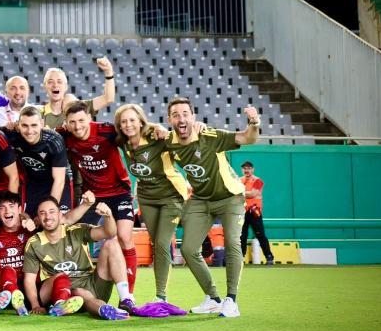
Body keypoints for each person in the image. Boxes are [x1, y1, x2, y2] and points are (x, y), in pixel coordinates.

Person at [166, 98, 263, 317]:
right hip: (201, 199)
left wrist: (254, 121)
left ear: (193, 116)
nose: (181, 118)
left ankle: (232, 300)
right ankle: (213, 298)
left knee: (232, 242)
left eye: (185, 114)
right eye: (175, 114)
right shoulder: (169, 141)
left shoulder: (210, 136)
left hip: (230, 198)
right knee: (188, 249)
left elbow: (248, 137)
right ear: (169, 119)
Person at [59, 101, 139, 296]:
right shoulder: (63, 135)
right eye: (72, 122)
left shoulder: (106, 131)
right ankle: (80, 284)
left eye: (81, 120)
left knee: (124, 237)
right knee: (75, 235)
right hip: (92, 197)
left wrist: (158, 128)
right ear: (66, 123)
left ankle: (129, 294)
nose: (77, 126)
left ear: (89, 118)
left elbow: (137, 132)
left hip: (119, 192)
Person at [114, 103, 188, 302]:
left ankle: (161, 296)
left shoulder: (157, 137)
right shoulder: (123, 143)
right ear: (119, 126)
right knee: (157, 244)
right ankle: (159, 295)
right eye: (124, 122)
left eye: (132, 120)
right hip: (147, 198)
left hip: (171, 196)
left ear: (140, 121)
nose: (128, 125)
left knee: (163, 244)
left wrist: (159, 127)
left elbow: (180, 140)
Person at [22, 197, 131, 319]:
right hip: (66, 293)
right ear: (38, 218)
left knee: (112, 243)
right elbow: (29, 280)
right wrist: (35, 305)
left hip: (94, 284)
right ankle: (104, 310)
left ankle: (126, 298)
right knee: (80, 293)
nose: (47, 216)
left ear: (60, 214)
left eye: (52, 211)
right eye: (42, 213)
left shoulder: (76, 231)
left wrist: (108, 216)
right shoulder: (34, 243)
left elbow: (109, 233)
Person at [0, 105, 69, 216]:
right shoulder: (12, 135)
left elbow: (59, 180)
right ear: (18, 125)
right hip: (33, 183)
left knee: (55, 220)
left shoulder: (54, 141)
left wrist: (49, 209)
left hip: (57, 182)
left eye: (34, 125)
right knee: (30, 221)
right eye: (25, 126)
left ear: (42, 123)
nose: (29, 131)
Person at [39, 58, 115, 129]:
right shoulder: (38, 114)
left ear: (66, 87)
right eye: (50, 82)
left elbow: (108, 98)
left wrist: (109, 73)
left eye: (59, 82)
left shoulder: (79, 107)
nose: (55, 85)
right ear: (44, 87)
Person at [240, 161, 275, 265]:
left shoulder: (258, 180)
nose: (247, 170)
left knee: (260, 235)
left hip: (254, 212)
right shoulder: (239, 180)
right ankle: (240, 259)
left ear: (253, 169)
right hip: (242, 211)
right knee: (242, 236)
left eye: (249, 168)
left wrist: (238, 192)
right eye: (245, 168)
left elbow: (252, 194)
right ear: (242, 170)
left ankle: (269, 257)